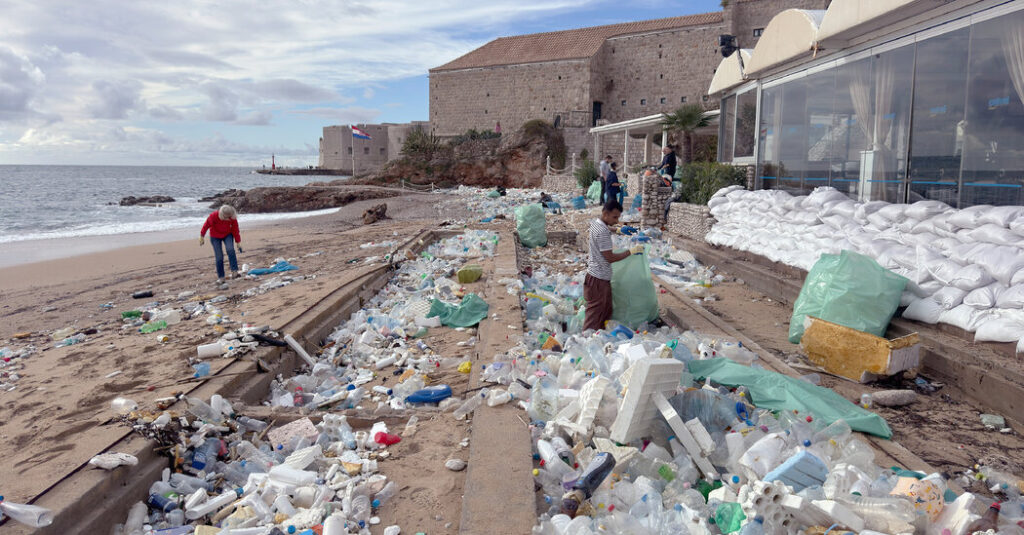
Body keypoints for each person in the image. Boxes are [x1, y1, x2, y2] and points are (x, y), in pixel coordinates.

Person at [584, 200, 644, 332]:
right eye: (615, 217)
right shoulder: (602, 232)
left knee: (606, 310)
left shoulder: (596, 224)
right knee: (595, 314)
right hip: (598, 280)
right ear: (605, 214)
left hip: (596, 276)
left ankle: (599, 337)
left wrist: (618, 230)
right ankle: (585, 340)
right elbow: (610, 257)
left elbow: (606, 228)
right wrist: (631, 251)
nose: (617, 220)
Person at [200, 204, 243, 283]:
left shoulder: (232, 217)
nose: (229, 218)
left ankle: (235, 272)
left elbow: (235, 230)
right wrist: (202, 236)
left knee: (230, 250)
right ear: (222, 215)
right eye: (227, 217)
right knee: (219, 256)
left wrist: (238, 242)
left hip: (228, 235)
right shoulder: (213, 216)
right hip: (215, 236)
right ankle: (221, 277)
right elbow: (206, 225)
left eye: (230, 216)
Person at [660, 146, 682, 221]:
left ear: (669, 149)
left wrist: (663, 167)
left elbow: (668, 165)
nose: (664, 152)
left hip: (669, 173)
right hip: (666, 174)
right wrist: (659, 168)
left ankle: (665, 217)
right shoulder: (666, 156)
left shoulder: (671, 156)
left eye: (665, 150)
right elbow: (662, 164)